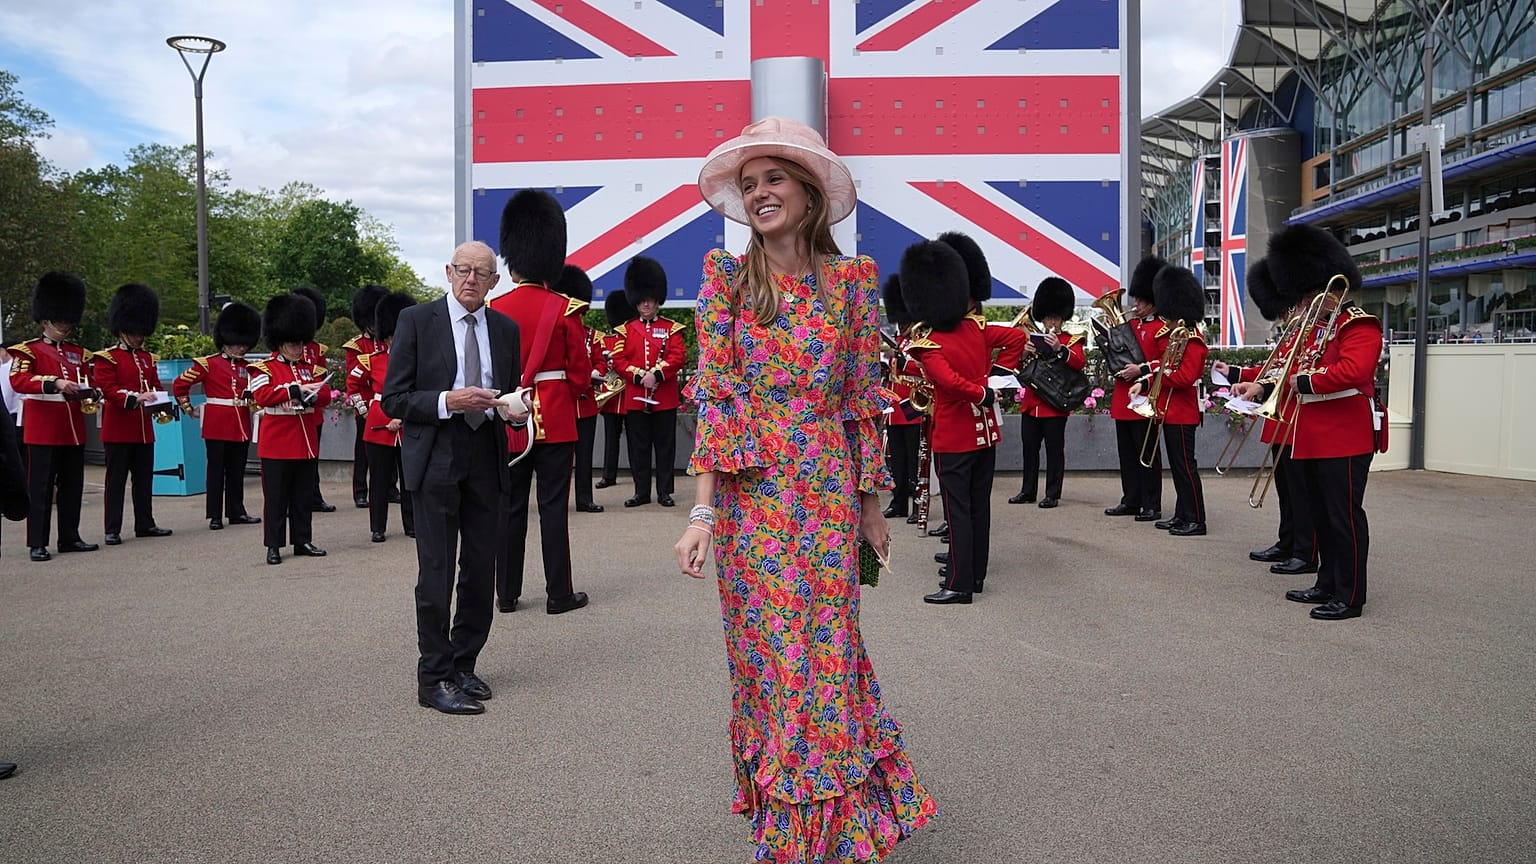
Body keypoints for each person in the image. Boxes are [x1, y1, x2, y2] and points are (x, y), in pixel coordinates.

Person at [677, 117, 937, 862]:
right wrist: (702, 512)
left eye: (774, 179)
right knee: (773, 659)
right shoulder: (725, 279)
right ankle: (793, 829)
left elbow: (861, 398)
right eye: (749, 183)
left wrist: (871, 508)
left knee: (824, 658)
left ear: (810, 192)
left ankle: (832, 831)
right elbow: (719, 398)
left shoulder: (851, 283)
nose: (760, 193)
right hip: (752, 504)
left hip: (823, 497)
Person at [383, 240, 522, 715]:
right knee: (437, 572)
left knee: (482, 569)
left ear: (494, 282)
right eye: (463, 270)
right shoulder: (416, 322)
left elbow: (512, 392)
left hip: (487, 455)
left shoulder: (505, 329)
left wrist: (517, 413)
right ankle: (434, 676)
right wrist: (448, 401)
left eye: (481, 273)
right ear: (448, 272)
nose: (470, 279)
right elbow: (394, 399)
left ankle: (464, 663)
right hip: (437, 455)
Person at [1235, 225, 1383, 621]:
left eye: (1308, 294)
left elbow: (1354, 370)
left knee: (1344, 518)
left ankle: (1350, 595)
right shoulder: (1314, 330)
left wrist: (1303, 382)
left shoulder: (1358, 324)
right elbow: (1290, 368)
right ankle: (1327, 583)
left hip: (1346, 435)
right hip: (1313, 434)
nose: (1303, 303)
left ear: (1328, 288)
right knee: (1320, 514)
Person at [901, 240, 1025, 603]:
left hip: (955, 437)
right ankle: (976, 574)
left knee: (957, 512)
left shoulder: (930, 343)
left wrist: (980, 391)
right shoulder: (978, 329)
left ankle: (958, 583)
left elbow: (946, 381)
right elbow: (1017, 338)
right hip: (985, 434)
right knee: (978, 508)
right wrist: (996, 377)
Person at [488, 190, 593, 616]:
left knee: (510, 509)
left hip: (510, 419)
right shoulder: (564, 309)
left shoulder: (495, 308)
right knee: (553, 510)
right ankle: (558, 594)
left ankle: (507, 593)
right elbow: (581, 375)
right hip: (555, 419)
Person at [1214, 259, 1317, 576]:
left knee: (1301, 492)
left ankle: (1306, 551)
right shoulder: (1293, 331)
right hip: (1280, 417)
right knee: (1285, 490)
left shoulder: (1313, 333)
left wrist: (1262, 383)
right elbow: (1272, 368)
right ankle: (1288, 542)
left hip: (1299, 419)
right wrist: (1235, 373)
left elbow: (1293, 373)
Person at [8, 272, 100, 562]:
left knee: (72, 487)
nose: (65, 326)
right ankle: (37, 542)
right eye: (60, 320)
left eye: (67, 321)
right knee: (42, 489)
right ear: (46, 319)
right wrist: (55, 383)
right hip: (44, 429)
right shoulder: (28, 351)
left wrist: (92, 392)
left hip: (73, 428)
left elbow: (91, 379)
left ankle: (70, 537)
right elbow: (19, 381)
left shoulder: (79, 354)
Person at [249, 294, 333, 566]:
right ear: (279, 341)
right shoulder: (263, 368)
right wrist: (295, 390)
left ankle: (302, 540)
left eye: (301, 343)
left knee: (301, 494)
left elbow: (326, 395)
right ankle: (273, 545)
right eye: (293, 343)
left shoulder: (310, 369)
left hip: (305, 439)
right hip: (277, 442)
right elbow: (262, 395)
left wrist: (313, 392)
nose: (299, 348)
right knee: (276, 498)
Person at [93, 283, 175, 545]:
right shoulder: (108, 358)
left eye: (142, 332)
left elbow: (155, 385)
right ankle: (112, 528)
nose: (140, 336)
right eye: (135, 331)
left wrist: (162, 401)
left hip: (143, 430)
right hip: (118, 428)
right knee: (116, 482)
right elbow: (108, 389)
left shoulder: (148, 358)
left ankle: (145, 522)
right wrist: (135, 398)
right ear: (122, 328)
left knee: (144, 480)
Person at [173, 302, 264, 531]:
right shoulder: (208, 364)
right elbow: (180, 384)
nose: (241, 348)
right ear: (225, 340)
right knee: (216, 470)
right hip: (216, 422)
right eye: (237, 344)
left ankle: (236, 511)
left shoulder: (250, 367)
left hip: (240, 422)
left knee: (236, 470)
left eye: (244, 344)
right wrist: (188, 408)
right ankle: (214, 515)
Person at [1133, 266, 1209, 536]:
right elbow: (1166, 367)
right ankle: (1181, 514)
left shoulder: (1194, 341)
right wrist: (1159, 372)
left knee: (1186, 468)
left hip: (1183, 413)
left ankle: (1196, 519)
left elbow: (1185, 378)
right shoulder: (1177, 337)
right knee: (1177, 469)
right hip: (1169, 411)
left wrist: (1159, 376)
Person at [616, 256, 685, 507]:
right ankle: (641, 492)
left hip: (663, 397)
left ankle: (664, 491)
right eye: (642, 299)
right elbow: (620, 360)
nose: (646, 303)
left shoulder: (672, 328)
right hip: (636, 398)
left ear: (657, 300)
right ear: (637, 301)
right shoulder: (626, 329)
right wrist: (638, 376)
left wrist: (655, 375)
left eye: (650, 299)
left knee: (665, 447)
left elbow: (678, 356)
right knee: (639, 448)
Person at [347, 291, 417, 543]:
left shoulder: (414, 360)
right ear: (386, 338)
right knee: (378, 481)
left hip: (407, 426)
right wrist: (368, 413)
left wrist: (406, 418)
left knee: (410, 479)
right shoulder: (370, 361)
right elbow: (353, 386)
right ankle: (378, 526)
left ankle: (411, 524)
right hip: (379, 426)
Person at [1012, 277, 1086, 508]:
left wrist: (1059, 349)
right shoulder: (1032, 339)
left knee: (1054, 452)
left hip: (1053, 406)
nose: (1052, 322)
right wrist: (1023, 353)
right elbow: (1017, 368)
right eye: (1048, 317)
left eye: (1056, 317)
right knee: (1029, 450)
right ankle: (1028, 490)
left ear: (1062, 318)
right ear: (1042, 318)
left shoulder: (1070, 340)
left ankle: (1053, 493)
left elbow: (1079, 362)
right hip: (1032, 404)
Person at [1104, 257, 1168, 523]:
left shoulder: (1161, 328)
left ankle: (1152, 503)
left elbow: (1165, 363)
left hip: (1145, 399)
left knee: (1147, 456)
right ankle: (1131, 498)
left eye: (1141, 301)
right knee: (1127, 455)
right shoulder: (1128, 326)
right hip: (1123, 398)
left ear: (1153, 300)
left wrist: (1140, 370)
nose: (1136, 305)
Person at [559, 265, 605, 513]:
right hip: (564, 402)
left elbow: (599, 361)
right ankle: (560, 499)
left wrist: (595, 372)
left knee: (584, 455)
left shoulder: (592, 336)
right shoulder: (558, 331)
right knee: (561, 458)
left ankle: (584, 498)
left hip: (585, 404)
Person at [879, 273, 923, 522]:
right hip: (896, 410)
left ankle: (918, 506)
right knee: (897, 460)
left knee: (914, 461)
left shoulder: (918, 342)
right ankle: (899, 503)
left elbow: (925, 369)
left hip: (913, 408)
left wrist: (905, 362)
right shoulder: (899, 342)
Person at [291, 285, 338, 513]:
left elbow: (321, 377)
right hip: (289, 411)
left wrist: (315, 396)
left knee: (312, 456)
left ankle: (313, 496)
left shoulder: (317, 349)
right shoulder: (283, 349)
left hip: (312, 412)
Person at [344, 284, 389, 509]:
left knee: (391, 451)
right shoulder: (356, 346)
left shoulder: (388, 340)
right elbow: (354, 381)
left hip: (387, 406)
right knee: (362, 452)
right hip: (367, 406)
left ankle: (389, 488)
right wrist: (364, 409)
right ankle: (360, 491)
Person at [596, 290, 634, 490]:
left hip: (629, 397)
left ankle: (638, 475)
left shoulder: (633, 338)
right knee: (611, 439)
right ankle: (608, 475)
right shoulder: (605, 341)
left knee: (635, 441)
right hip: (611, 399)